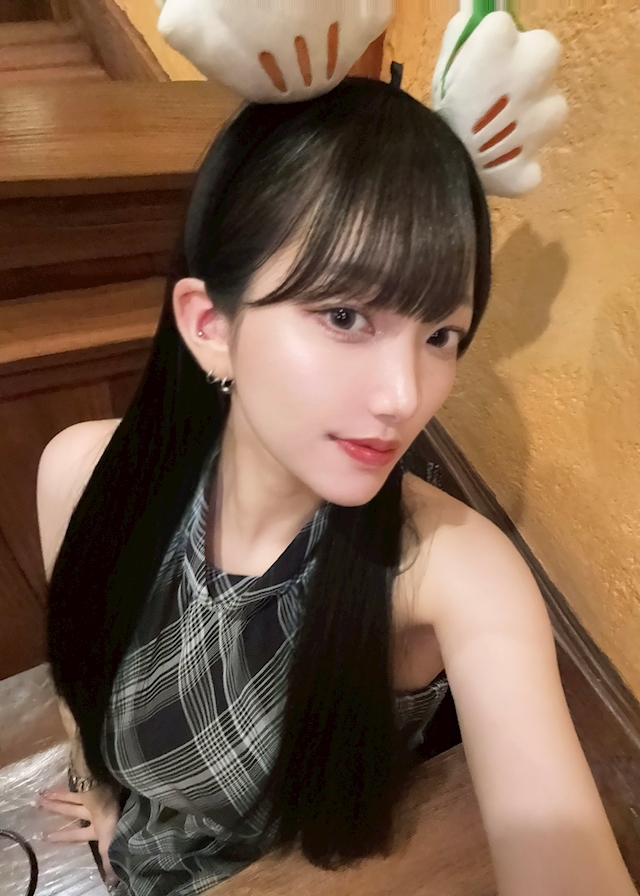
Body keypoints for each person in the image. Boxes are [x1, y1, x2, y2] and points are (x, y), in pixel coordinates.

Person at [36, 78, 635, 896]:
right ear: (211, 325)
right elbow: (79, 675)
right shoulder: (81, 475)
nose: (404, 396)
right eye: (346, 316)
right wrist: (102, 794)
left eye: (441, 334)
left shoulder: (449, 571)